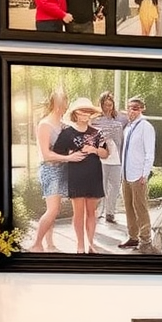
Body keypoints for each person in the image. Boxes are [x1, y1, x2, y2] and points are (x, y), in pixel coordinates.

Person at [50, 98, 108, 254]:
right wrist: (70, 155)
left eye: (88, 111)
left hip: (94, 175)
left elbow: (105, 153)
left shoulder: (97, 133)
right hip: (76, 176)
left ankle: (91, 244)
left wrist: (95, 150)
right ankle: (80, 245)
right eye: (82, 111)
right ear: (75, 113)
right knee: (78, 213)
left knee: (91, 212)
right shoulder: (67, 133)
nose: (85, 114)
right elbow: (56, 153)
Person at [28, 88, 75, 252]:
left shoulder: (63, 125)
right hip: (50, 169)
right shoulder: (45, 124)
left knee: (54, 210)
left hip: (62, 169)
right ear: (57, 105)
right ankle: (36, 244)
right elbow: (46, 155)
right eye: (64, 103)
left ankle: (50, 243)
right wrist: (69, 158)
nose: (65, 106)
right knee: (53, 209)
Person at [119, 96, 157, 252]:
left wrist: (144, 174)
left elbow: (150, 153)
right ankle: (133, 237)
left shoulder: (146, 127)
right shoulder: (128, 128)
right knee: (128, 207)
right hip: (126, 175)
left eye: (135, 108)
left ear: (142, 108)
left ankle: (145, 239)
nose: (131, 110)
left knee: (140, 207)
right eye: (129, 107)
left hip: (138, 176)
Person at [92, 91, 128, 224]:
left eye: (110, 104)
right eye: (105, 105)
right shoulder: (95, 120)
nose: (108, 107)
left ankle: (110, 213)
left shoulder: (120, 118)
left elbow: (131, 116)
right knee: (101, 187)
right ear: (100, 105)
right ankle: (98, 212)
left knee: (115, 186)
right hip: (100, 159)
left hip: (116, 158)